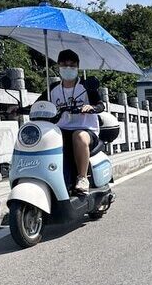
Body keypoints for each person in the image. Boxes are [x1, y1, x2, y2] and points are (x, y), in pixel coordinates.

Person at [37, 49, 104, 194]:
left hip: (86, 130)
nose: (68, 68)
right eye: (64, 65)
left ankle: (82, 177)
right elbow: (38, 105)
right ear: (58, 66)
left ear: (78, 66)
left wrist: (91, 107)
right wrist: (17, 109)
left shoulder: (86, 86)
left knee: (78, 136)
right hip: (60, 131)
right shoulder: (52, 89)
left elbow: (101, 105)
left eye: (72, 65)